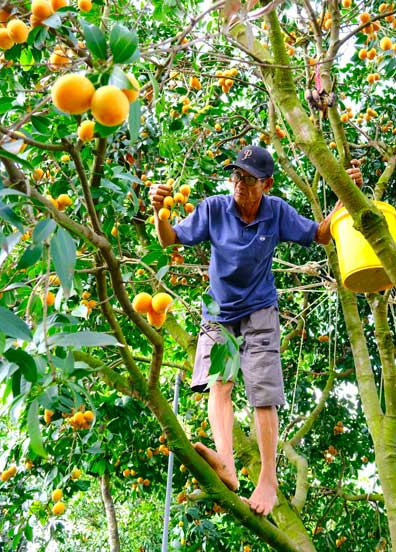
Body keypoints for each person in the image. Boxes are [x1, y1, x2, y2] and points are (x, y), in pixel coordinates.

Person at [148, 145, 362, 516]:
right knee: (220, 381)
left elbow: (322, 235)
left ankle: (268, 479)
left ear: (267, 183)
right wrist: (158, 210)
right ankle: (227, 465)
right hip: (218, 309)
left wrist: (347, 194)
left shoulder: (276, 211)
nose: (239, 185)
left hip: (260, 309)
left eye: (248, 179)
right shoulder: (215, 208)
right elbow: (169, 239)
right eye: (236, 177)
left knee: (263, 390)